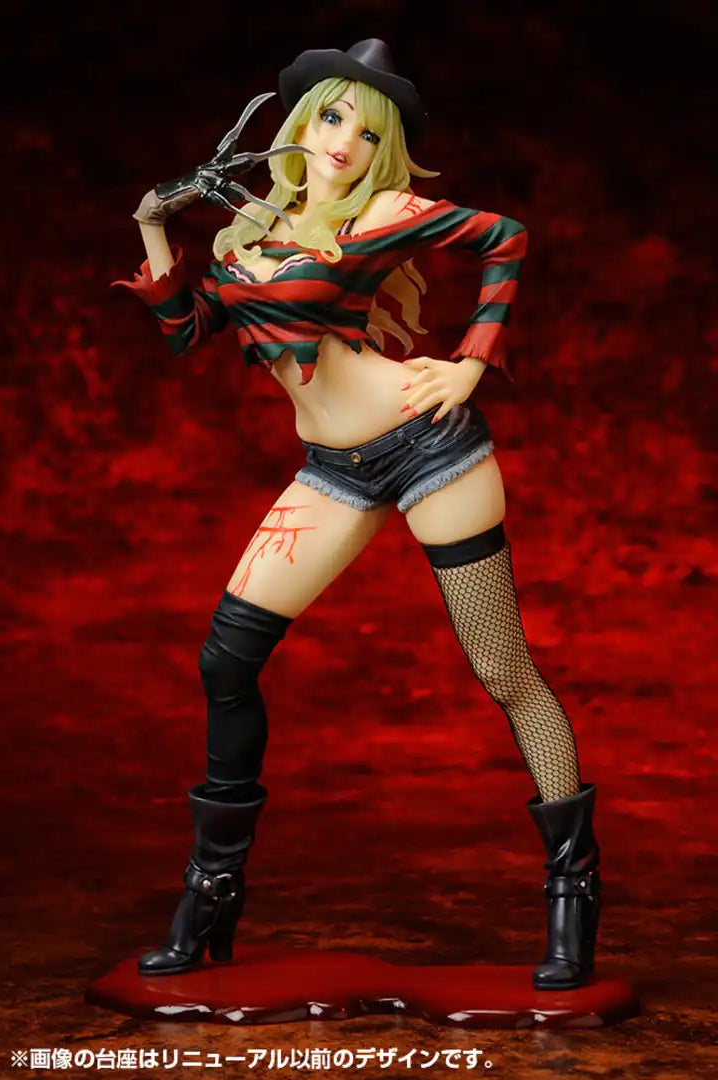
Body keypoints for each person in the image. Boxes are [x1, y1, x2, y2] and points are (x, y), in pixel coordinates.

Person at [113, 39, 601, 991]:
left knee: (503, 669)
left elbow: (506, 236)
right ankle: (211, 895)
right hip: (334, 471)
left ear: (387, 150)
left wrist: (470, 362)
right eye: (333, 117)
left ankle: (571, 890)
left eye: (370, 132)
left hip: (432, 449)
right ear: (300, 123)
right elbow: (187, 332)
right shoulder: (253, 228)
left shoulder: (382, 214)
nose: (345, 141)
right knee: (226, 659)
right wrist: (153, 230)